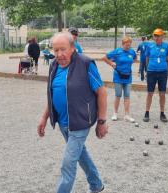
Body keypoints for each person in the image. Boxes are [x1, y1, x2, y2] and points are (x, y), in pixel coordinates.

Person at [37, 32, 108, 193]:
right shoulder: (54, 65)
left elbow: (102, 92)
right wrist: (43, 117)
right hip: (63, 123)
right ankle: (97, 185)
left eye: (63, 49)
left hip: (80, 123)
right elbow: (52, 94)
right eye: (56, 50)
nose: (59, 54)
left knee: (67, 164)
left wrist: (102, 122)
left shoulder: (85, 64)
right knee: (80, 154)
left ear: (73, 48)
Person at [103, 36, 137, 122]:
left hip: (128, 77)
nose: (128, 47)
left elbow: (135, 59)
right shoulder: (117, 51)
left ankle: (127, 115)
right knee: (118, 95)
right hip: (118, 77)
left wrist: (128, 64)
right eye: (126, 45)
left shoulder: (132, 52)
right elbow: (104, 58)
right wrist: (111, 63)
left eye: (129, 45)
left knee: (127, 96)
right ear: (122, 44)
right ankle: (115, 113)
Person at [143, 28, 168, 123]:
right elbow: (147, 58)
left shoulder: (167, 46)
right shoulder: (149, 46)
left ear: (162, 36)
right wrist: (147, 70)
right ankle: (147, 112)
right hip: (151, 71)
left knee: (162, 93)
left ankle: (162, 113)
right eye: (155, 35)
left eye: (158, 35)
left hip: (163, 72)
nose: (156, 37)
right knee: (150, 93)